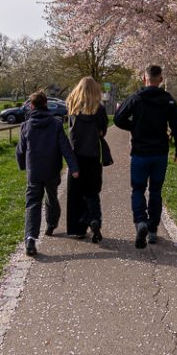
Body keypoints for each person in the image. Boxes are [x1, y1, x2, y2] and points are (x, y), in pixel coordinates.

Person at [114, 64, 177, 249]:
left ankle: (140, 221)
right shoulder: (168, 101)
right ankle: (152, 229)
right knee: (155, 191)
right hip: (159, 152)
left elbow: (118, 118)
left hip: (140, 152)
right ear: (160, 80)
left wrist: (135, 127)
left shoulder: (136, 99)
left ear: (144, 78)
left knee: (138, 189)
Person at [16, 90, 79, 256]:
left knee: (32, 203)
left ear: (31, 106)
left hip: (34, 171)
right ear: (46, 104)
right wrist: (73, 168)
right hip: (52, 169)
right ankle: (51, 224)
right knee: (51, 196)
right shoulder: (56, 124)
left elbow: (20, 150)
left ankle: (30, 238)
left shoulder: (26, 126)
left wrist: (22, 165)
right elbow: (65, 147)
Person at [64, 76, 109, 243]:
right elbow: (103, 131)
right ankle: (94, 219)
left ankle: (77, 228)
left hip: (76, 155)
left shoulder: (72, 106)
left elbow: (70, 129)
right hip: (93, 155)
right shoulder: (100, 109)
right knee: (92, 192)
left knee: (75, 193)